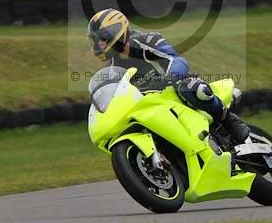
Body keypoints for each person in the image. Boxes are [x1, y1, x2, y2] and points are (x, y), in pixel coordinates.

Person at [86, 8, 250, 143]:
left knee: (191, 88)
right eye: (96, 40)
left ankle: (230, 121)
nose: (99, 44)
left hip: (175, 88)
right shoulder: (113, 69)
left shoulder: (147, 41)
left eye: (103, 38)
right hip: (151, 104)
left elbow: (177, 59)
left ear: (117, 31)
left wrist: (170, 77)